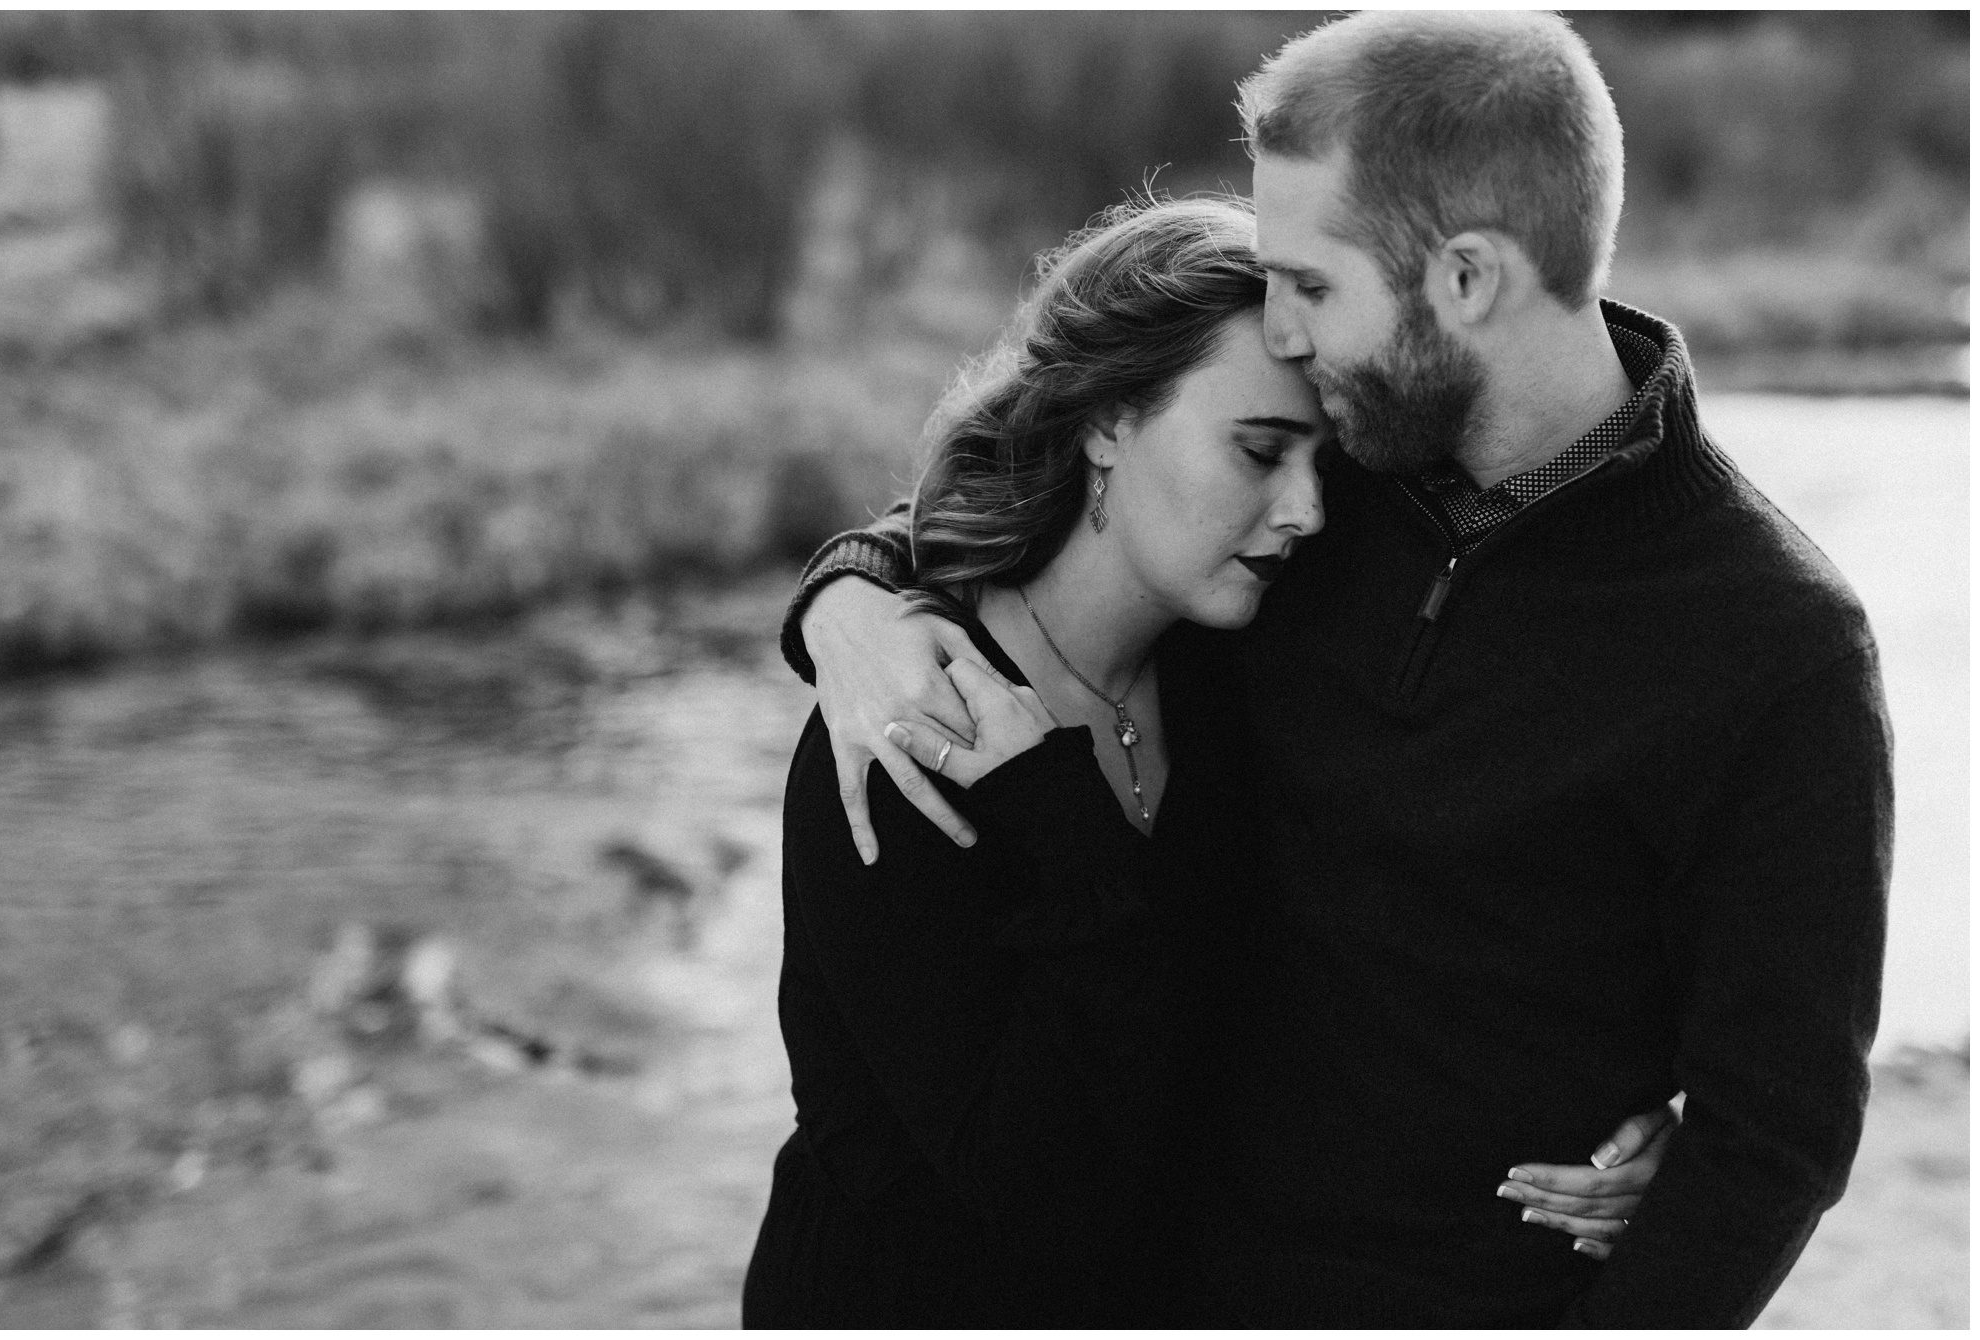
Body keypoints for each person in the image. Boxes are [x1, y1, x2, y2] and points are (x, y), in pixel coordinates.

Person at [779, 11, 1892, 1329]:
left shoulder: (1775, 646)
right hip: (1173, 1284)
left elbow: (1776, 1139)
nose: (1286, 331)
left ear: (1467, 280)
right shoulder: (1341, 476)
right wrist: (848, 597)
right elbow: (1080, 488)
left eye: (1312, 285)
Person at [743, 197, 1672, 1329]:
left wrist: (1625, 1117)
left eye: (1324, 459)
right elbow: (1035, 1194)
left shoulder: (1238, 667)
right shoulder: (904, 727)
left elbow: (1436, 925)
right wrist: (1055, 808)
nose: (1306, 511)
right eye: (1258, 450)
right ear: (1103, 420)